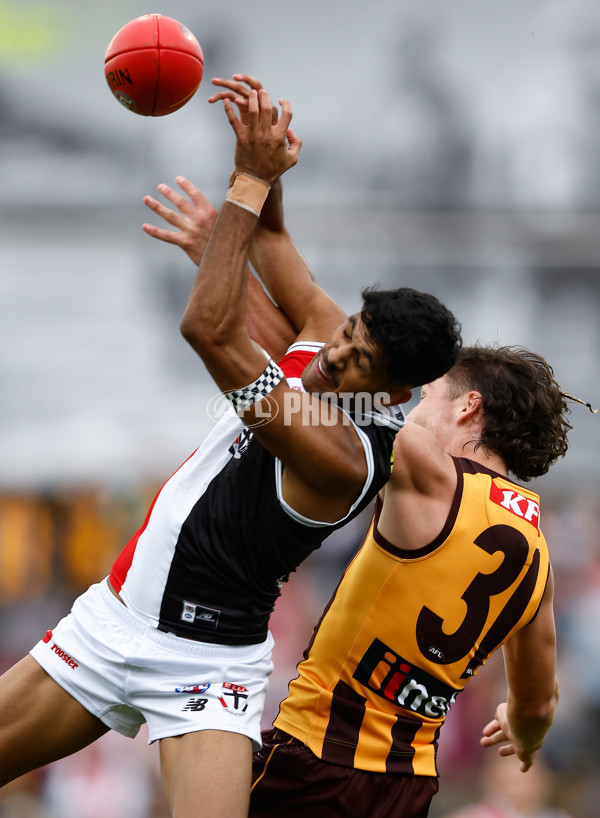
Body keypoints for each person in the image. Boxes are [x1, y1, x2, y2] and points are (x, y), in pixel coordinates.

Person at [0, 81, 462, 818]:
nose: (337, 355)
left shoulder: (339, 455)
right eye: (351, 334)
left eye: (361, 363)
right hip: (113, 621)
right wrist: (268, 169)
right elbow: (274, 245)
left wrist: (245, 186)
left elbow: (209, 331)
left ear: (394, 397)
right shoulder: (331, 339)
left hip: (206, 667)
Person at [139, 74, 574, 818]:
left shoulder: (427, 470)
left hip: (315, 757)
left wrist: (230, 250)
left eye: (429, 396)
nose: (410, 405)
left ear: (469, 409)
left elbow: (327, 370)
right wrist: (525, 740)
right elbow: (538, 700)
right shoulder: (537, 556)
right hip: (407, 787)